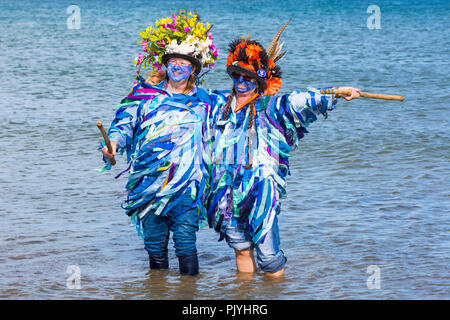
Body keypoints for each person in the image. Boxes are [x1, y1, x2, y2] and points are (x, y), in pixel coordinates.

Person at [206, 22, 360, 277]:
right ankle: (244, 298)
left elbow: (303, 99)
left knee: (269, 256)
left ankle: (274, 295)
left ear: (260, 80)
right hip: (226, 188)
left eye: (248, 78)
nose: (242, 82)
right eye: (237, 76)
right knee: (241, 249)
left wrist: (338, 92)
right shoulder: (219, 102)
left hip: (260, 188)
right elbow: (187, 99)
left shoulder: (273, 106)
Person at [100, 11, 219, 276]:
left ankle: (189, 296)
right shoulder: (144, 95)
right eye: (172, 62)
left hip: (188, 184)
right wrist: (113, 146)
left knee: (186, 243)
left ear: (194, 69)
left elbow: (240, 108)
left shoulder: (207, 101)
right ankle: (159, 292)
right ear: (165, 65)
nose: (177, 67)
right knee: (154, 247)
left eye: (183, 63)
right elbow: (123, 125)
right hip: (147, 183)